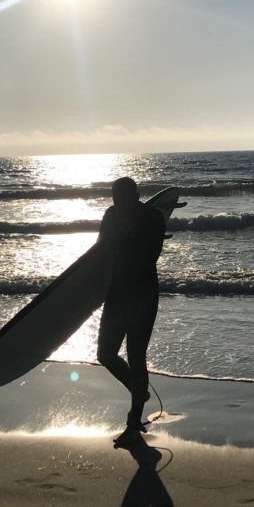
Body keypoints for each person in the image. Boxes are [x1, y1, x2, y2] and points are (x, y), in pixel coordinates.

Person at [97, 177, 166, 445]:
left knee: (137, 356)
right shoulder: (110, 215)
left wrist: (125, 235)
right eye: (115, 197)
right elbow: (101, 251)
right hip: (115, 295)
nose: (118, 203)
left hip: (143, 294)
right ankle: (139, 390)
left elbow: (149, 257)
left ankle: (133, 422)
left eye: (123, 197)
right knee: (105, 353)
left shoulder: (153, 218)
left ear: (136, 195)